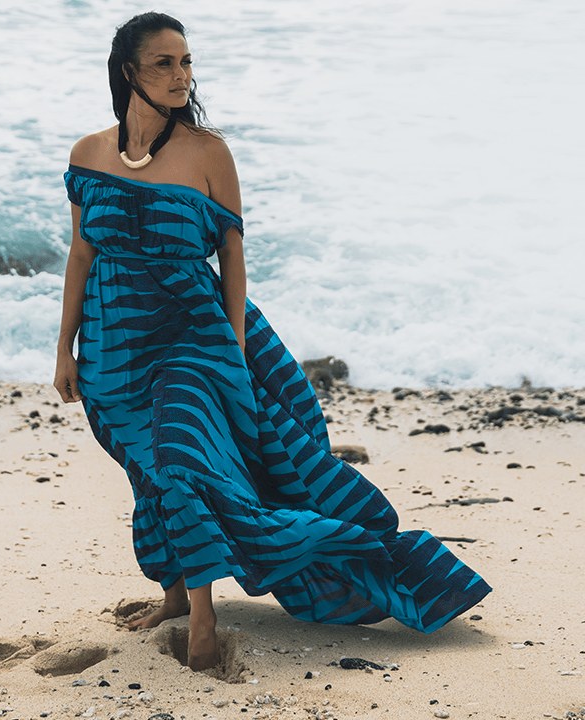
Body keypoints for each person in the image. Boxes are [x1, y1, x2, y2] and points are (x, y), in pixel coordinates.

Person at [53, 11, 491, 672]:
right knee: (147, 467)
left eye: (187, 62)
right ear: (129, 73)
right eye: (166, 63)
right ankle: (176, 593)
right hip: (114, 346)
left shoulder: (208, 153)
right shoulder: (87, 155)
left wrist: (230, 346)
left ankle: (203, 615)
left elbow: (232, 258)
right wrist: (64, 348)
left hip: (192, 338)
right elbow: (82, 253)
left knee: (180, 459)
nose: (183, 75)